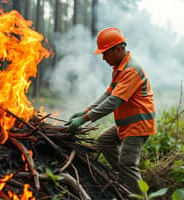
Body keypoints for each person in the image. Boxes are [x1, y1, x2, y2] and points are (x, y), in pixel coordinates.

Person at [65, 27, 156, 194]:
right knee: (104, 141)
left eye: (105, 53)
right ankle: (127, 180)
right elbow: (108, 94)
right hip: (127, 123)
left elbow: (113, 102)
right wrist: (85, 111)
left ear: (118, 49)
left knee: (128, 163)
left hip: (138, 124)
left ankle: (138, 195)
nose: (103, 58)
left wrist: (85, 119)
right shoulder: (120, 69)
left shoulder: (130, 70)